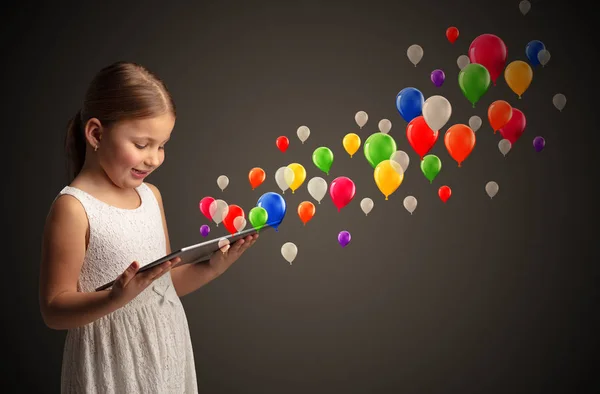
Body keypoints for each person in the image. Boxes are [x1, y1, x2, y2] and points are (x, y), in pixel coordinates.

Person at [39, 61, 258, 393]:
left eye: (162, 145)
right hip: (111, 363)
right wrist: (113, 298)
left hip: (165, 350)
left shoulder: (151, 196)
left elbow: (162, 285)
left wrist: (213, 267)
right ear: (96, 133)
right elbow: (53, 310)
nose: (154, 158)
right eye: (142, 145)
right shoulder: (74, 208)